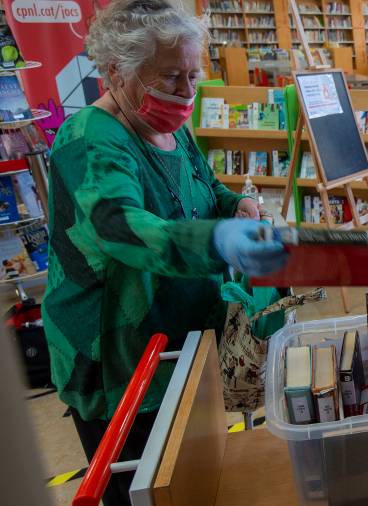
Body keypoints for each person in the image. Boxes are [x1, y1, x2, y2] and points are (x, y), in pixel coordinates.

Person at [42, 1, 287, 504]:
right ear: (116, 72)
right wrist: (218, 241)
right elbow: (122, 229)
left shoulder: (172, 123)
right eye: (172, 77)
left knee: (191, 474)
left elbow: (206, 187)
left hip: (183, 341)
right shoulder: (89, 139)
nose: (188, 91)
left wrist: (235, 205)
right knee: (142, 485)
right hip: (120, 359)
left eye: (195, 75)